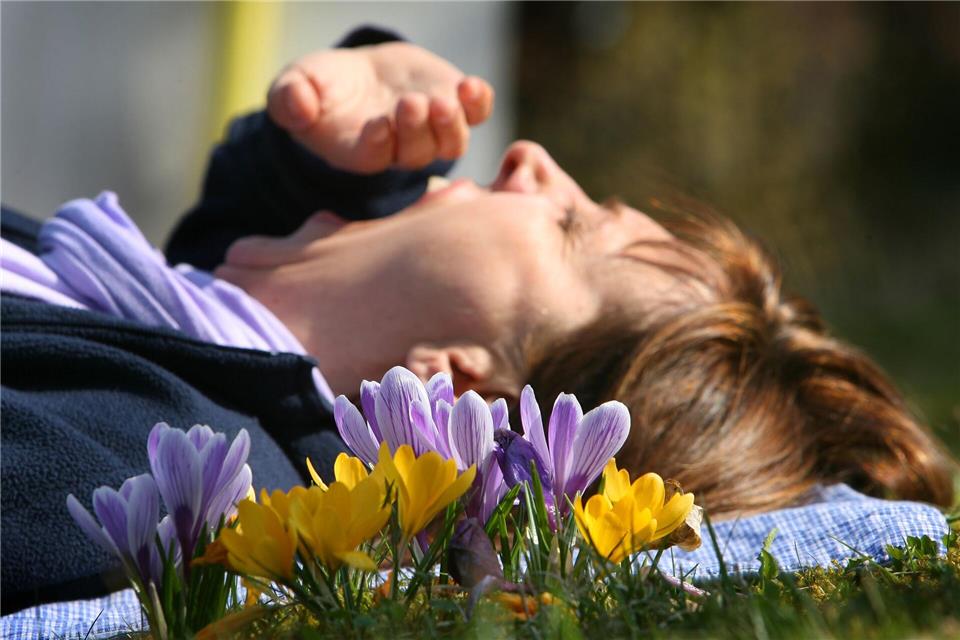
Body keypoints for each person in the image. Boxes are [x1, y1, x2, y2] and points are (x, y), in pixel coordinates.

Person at [1, 26, 953, 615]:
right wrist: (329, 159)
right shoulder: (173, 329)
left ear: (454, 391)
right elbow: (219, 291)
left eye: (572, 224)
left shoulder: (154, 471)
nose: (532, 159)